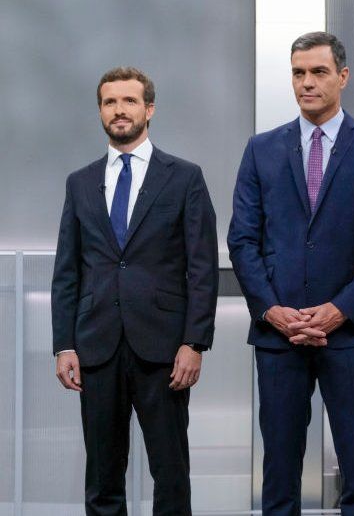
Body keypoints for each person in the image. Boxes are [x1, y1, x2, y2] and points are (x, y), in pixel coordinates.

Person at [228, 31, 354, 515]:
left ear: (342, 77)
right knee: (279, 473)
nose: (307, 82)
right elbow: (241, 240)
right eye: (298, 73)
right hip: (278, 333)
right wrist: (272, 311)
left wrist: (339, 309)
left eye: (318, 72)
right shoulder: (261, 149)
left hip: (351, 332)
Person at [52, 66, 219, 515]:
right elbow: (67, 271)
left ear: (149, 109)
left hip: (164, 348)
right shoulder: (80, 182)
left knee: (171, 473)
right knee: (102, 477)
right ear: (100, 111)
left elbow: (203, 268)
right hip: (96, 346)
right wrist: (64, 345)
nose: (119, 110)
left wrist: (194, 342)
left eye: (129, 101)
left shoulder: (184, 177)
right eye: (110, 102)